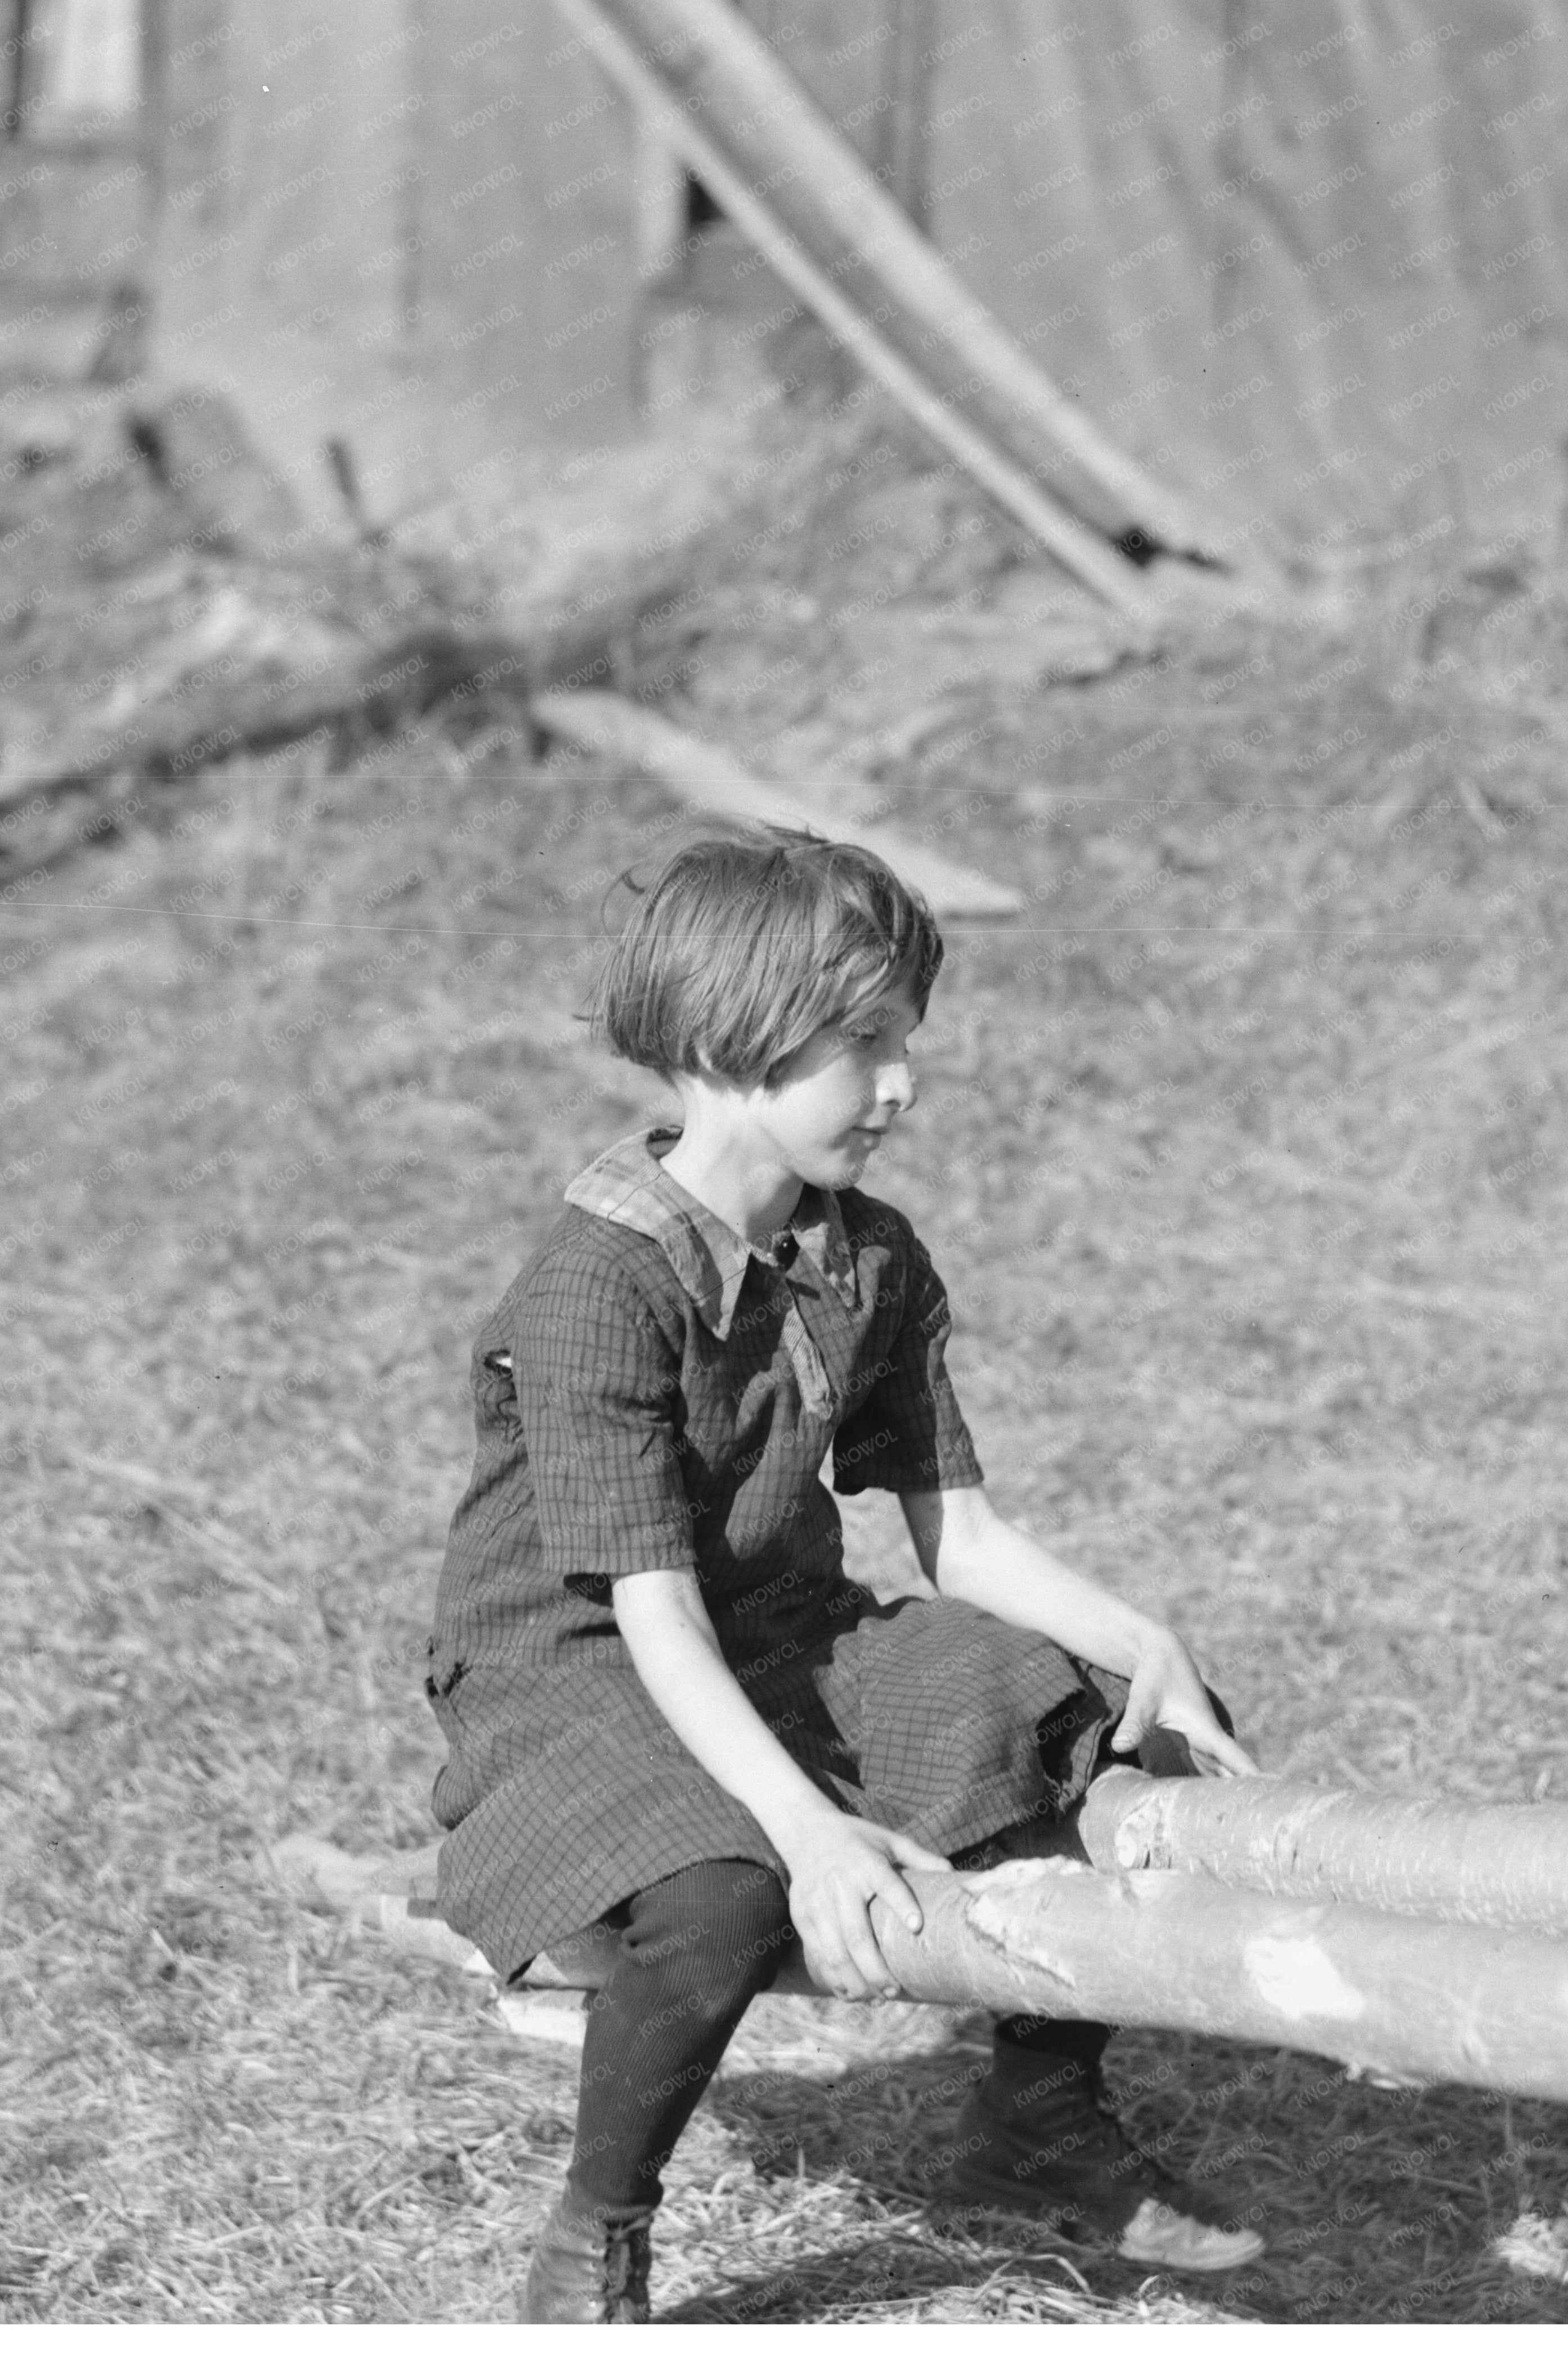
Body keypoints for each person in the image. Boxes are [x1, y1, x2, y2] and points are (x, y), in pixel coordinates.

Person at [419, 824, 1265, 2322]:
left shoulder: (864, 1253)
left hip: (782, 1636)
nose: (903, 1084)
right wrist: (812, 1833)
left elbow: (966, 1535)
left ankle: (1038, 2116)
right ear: (727, 1041)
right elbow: (652, 1613)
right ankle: (596, 2232)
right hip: (581, 1672)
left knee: (1090, 1720)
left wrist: (1149, 1642)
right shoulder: (593, 1286)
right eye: (863, 1042)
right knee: (728, 1891)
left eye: (905, 1039)